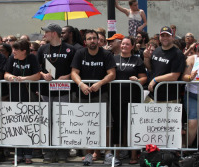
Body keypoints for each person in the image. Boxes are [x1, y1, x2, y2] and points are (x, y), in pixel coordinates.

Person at [70, 29, 119, 166]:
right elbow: (74, 72)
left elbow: (112, 74)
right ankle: (88, 154)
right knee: (86, 125)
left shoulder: (106, 54)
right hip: (83, 95)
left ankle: (108, 153)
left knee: (106, 124)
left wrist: (100, 83)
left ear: (98, 40)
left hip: (101, 94)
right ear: (85, 42)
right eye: (89, 38)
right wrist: (81, 84)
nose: (92, 41)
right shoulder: (80, 53)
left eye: (94, 38)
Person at [37, 23, 75, 164]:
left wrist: (67, 76)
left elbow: (76, 69)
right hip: (46, 92)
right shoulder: (42, 49)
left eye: (46, 32)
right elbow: (37, 68)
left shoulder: (70, 49)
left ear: (53, 33)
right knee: (47, 122)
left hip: (64, 91)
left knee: (62, 121)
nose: (44, 34)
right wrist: (42, 74)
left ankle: (63, 152)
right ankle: (48, 151)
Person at [4, 40, 41, 164]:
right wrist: (10, 77)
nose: (13, 52)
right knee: (17, 125)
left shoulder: (32, 58)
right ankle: (18, 153)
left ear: (24, 51)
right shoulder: (11, 59)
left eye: (16, 50)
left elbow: (37, 75)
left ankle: (28, 154)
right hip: (15, 96)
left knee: (28, 125)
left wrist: (24, 79)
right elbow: (6, 73)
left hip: (29, 97)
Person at [111, 36, 147, 164]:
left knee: (132, 126)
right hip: (116, 98)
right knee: (117, 125)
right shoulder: (113, 58)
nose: (124, 46)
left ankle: (133, 155)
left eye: (127, 44)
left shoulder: (137, 60)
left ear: (132, 46)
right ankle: (117, 155)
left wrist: (137, 80)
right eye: (122, 44)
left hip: (133, 98)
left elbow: (144, 78)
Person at [144, 26, 185, 102]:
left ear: (172, 37)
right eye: (162, 35)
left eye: (167, 35)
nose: (165, 38)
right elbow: (150, 68)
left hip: (170, 98)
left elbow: (174, 76)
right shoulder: (156, 51)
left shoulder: (178, 54)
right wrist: (146, 58)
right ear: (159, 37)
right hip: (153, 96)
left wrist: (155, 80)